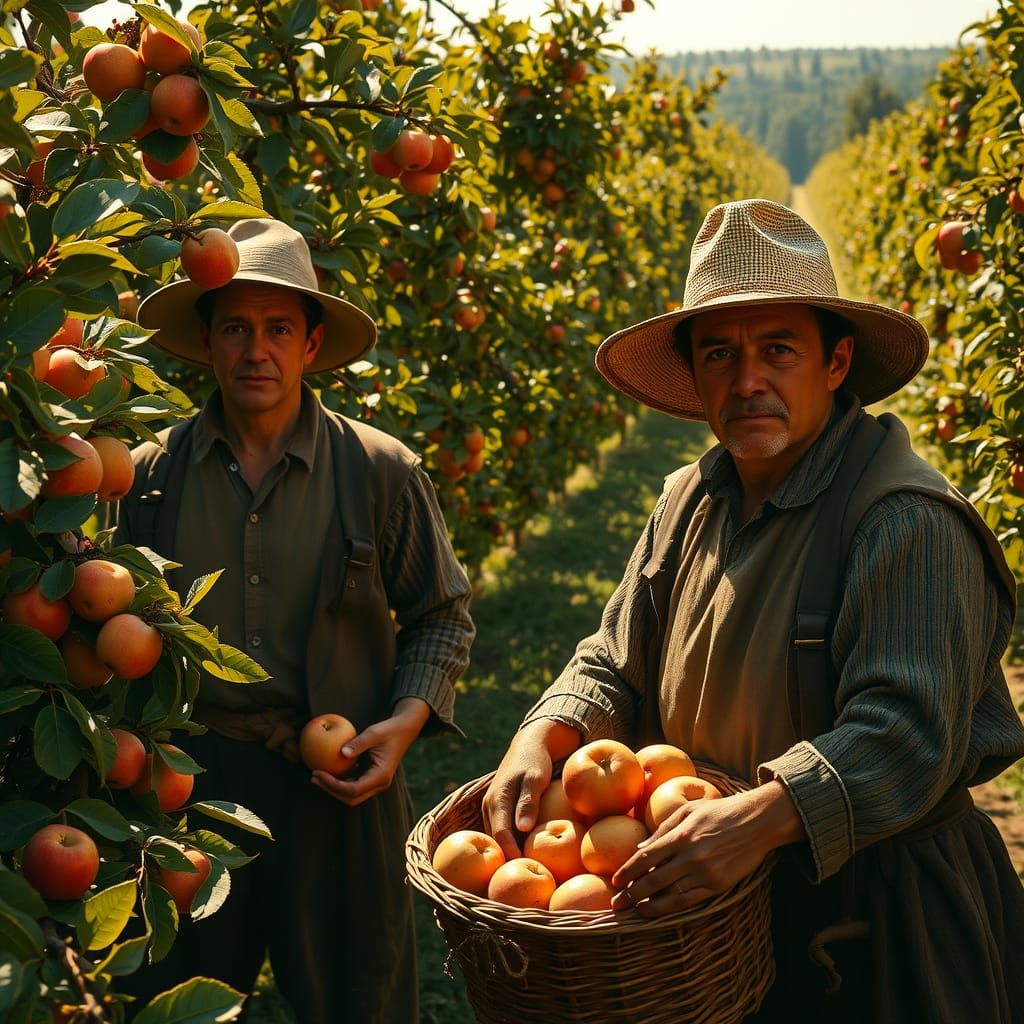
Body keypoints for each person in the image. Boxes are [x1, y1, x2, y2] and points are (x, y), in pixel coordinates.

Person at [482, 199, 1024, 1022]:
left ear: (836, 363)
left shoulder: (903, 520)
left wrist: (759, 820)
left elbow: (904, 735)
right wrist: (547, 728)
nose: (747, 383)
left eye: (778, 351)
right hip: (711, 916)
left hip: (872, 922)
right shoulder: (690, 499)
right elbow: (616, 652)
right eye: (719, 355)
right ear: (695, 375)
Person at [113, 218, 475, 1023]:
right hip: (190, 785)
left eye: (279, 329)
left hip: (341, 783)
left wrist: (403, 728)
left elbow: (442, 617)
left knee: (360, 995)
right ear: (206, 341)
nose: (256, 351)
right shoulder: (147, 482)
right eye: (235, 328)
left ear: (311, 345)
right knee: (178, 996)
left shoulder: (379, 471)